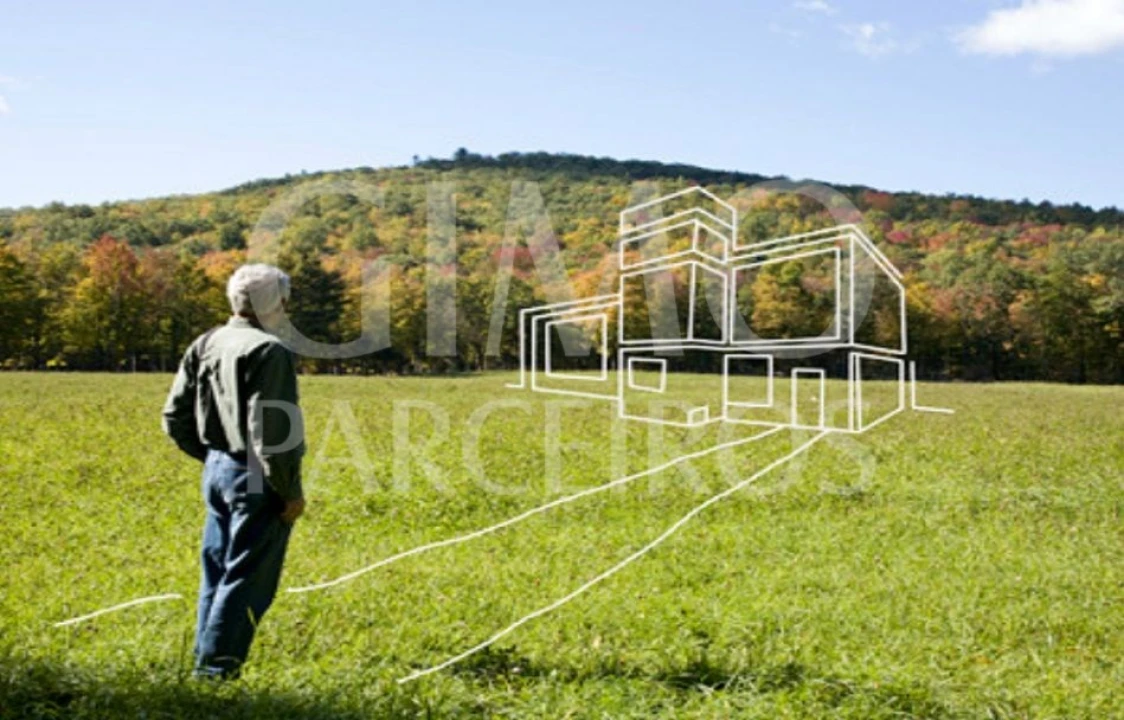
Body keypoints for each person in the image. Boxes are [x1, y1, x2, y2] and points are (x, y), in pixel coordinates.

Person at [162, 263, 306, 680]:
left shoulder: (206, 342)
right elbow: (272, 434)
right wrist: (289, 491)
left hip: (217, 467)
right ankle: (216, 673)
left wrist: (214, 458)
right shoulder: (270, 351)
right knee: (247, 578)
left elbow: (174, 417)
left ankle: (205, 660)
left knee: (217, 572)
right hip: (257, 474)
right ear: (275, 304)